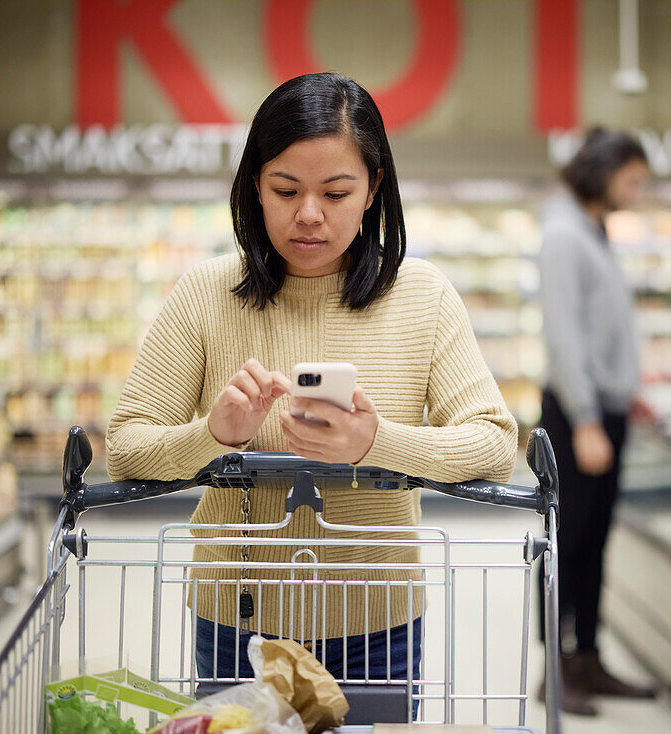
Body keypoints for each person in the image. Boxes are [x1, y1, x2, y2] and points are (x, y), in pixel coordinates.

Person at [106, 73, 518, 692]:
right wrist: (213, 434)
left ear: (374, 188)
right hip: (236, 626)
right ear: (255, 186)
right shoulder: (205, 294)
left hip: (378, 626)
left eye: (335, 192)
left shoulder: (423, 297)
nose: (308, 215)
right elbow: (125, 449)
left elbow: (493, 443)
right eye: (286, 189)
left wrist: (375, 444)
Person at [538, 127, 658, 715]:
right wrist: (586, 417)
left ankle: (589, 656)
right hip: (574, 415)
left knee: (596, 543)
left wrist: (622, 394)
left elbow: (601, 330)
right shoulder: (564, 234)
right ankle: (555, 673)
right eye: (632, 179)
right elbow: (564, 338)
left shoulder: (594, 231)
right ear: (603, 172)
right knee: (571, 540)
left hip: (603, 410)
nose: (638, 191)